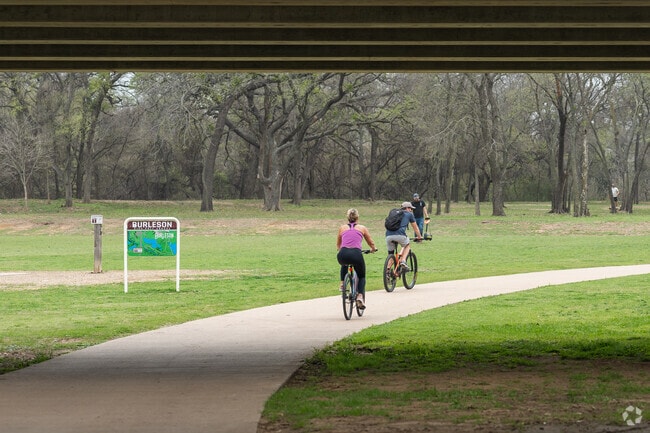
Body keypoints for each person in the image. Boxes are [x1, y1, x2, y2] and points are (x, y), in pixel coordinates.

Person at [336, 208, 377, 310]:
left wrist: (341, 249)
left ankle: (342, 284)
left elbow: (338, 244)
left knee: (344, 264)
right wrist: (373, 249)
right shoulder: (362, 228)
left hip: (343, 254)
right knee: (361, 276)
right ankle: (359, 296)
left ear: (348, 217)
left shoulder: (342, 228)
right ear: (357, 217)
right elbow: (370, 242)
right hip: (356, 254)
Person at [385, 202, 422, 271]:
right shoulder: (409, 214)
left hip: (388, 236)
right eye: (410, 208)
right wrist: (419, 237)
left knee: (391, 255)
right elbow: (416, 228)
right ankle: (403, 261)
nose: (411, 210)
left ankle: (387, 271)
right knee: (407, 245)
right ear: (407, 208)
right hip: (400, 235)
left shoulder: (394, 214)